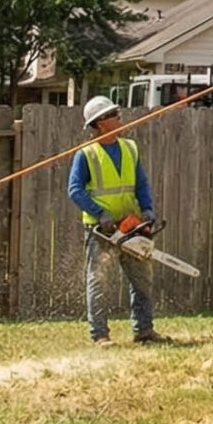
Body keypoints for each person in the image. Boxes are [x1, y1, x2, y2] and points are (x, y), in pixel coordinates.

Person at [71, 95, 163, 344]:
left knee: (142, 281)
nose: (120, 118)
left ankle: (144, 330)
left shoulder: (130, 148)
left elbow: (141, 183)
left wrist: (147, 209)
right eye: (114, 115)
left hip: (131, 225)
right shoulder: (86, 154)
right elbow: (75, 190)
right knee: (99, 281)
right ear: (101, 122)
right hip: (101, 229)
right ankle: (100, 334)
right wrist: (100, 213)